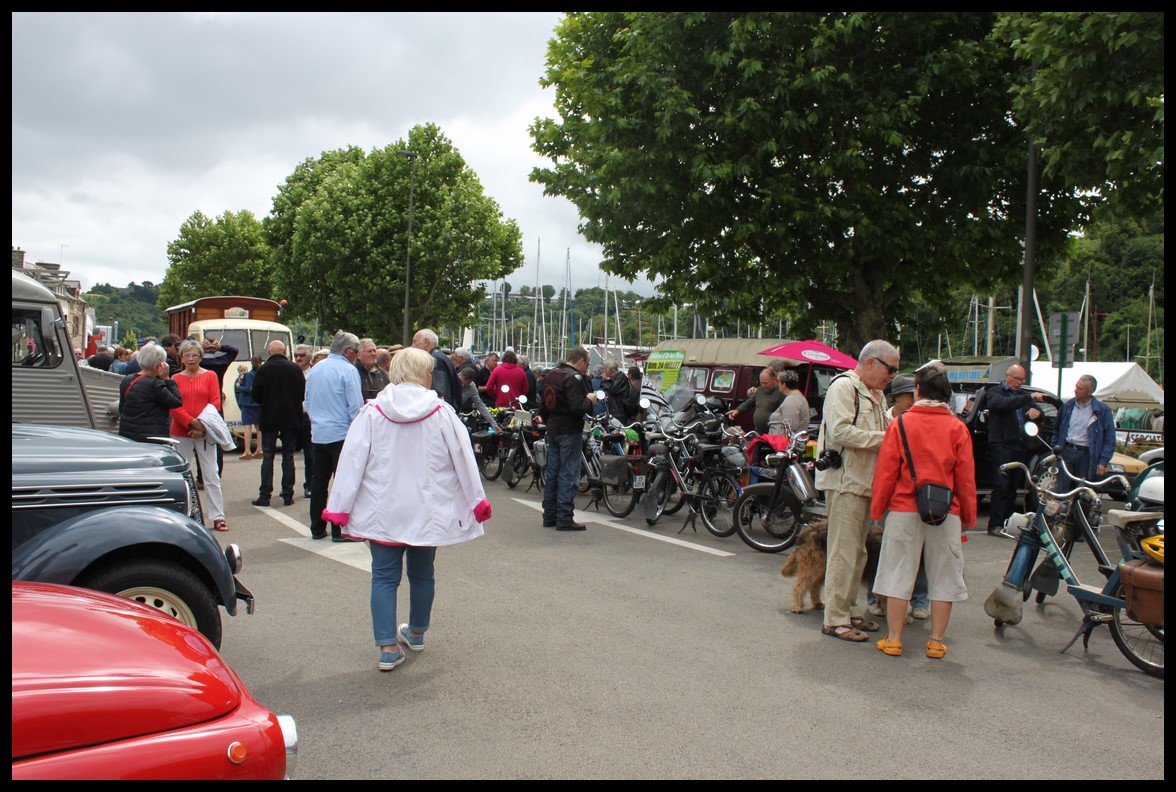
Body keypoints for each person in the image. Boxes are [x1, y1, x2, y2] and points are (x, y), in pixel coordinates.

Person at [322, 347, 491, 672]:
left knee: (384, 578)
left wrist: (339, 507)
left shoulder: (372, 412)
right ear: (424, 374)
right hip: (427, 510)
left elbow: (351, 462)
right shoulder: (441, 412)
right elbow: (464, 458)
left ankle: (387, 646)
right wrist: (476, 500)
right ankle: (416, 632)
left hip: (382, 509)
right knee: (422, 573)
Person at [870, 361, 976, 659]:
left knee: (897, 572)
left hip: (904, 508)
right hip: (946, 510)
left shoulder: (900, 424)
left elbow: (886, 472)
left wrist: (878, 508)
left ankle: (893, 639)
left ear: (917, 391)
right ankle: (937, 641)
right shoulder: (957, 428)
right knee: (944, 575)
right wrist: (967, 515)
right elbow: (966, 479)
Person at [815, 340, 898, 642]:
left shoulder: (876, 394)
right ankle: (834, 618)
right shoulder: (844, 387)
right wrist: (886, 438)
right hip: (846, 482)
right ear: (872, 362)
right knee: (843, 551)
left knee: (858, 552)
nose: (892, 375)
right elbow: (839, 432)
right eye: (891, 369)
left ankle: (848, 610)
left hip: (865, 482)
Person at [867, 373, 930, 621]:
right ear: (897, 398)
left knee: (920, 549)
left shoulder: (920, 420)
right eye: (909, 397)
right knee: (877, 546)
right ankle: (875, 597)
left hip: (913, 493)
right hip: (884, 489)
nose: (913, 401)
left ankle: (920, 599)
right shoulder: (881, 420)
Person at [305, 331, 365, 541]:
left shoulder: (315, 369)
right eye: (356, 352)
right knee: (343, 482)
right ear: (348, 351)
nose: (356, 356)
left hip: (319, 432)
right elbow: (355, 407)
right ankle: (340, 530)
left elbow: (308, 401)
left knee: (318, 482)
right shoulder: (348, 370)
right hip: (341, 433)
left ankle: (317, 527)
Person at [169, 340, 228, 532]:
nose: (191, 359)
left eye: (195, 355)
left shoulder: (210, 376)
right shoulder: (175, 378)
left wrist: (201, 424)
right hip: (181, 430)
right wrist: (190, 422)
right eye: (187, 355)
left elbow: (215, 403)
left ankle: (218, 516)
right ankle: (184, 513)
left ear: (201, 357)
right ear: (182, 358)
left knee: (211, 474)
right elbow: (174, 405)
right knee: (183, 474)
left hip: (205, 431)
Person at [538, 347, 599, 531]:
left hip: (553, 427)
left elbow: (543, 404)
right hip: (569, 429)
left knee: (553, 473)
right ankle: (564, 517)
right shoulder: (573, 378)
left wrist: (547, 420)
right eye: (587, 364)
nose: (587, 368)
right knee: (569, 474)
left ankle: (549, 515)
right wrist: (590, 400)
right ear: (580, 361)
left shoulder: (551, 374)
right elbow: (577, 408)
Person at [985, 363, 1046, 537]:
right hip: (1001, 445)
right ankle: (995, 524)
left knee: (1013, 488)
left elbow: (1040, 414)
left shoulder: (1023, 396)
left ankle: (1007, 523)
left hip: (1019, 446)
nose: (1020, 383)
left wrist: (1036, 413)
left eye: (1022, 380)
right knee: (1001, 485)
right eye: (1018, 379)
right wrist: (1028, 399)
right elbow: (1003, 404)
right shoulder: (996, 392)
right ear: (1008, 376)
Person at [251, 341, 306, 508]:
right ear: (285, 351)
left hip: (269, 416)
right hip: (291, 417)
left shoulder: (263, 369)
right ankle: (288, 493)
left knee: (268, 456)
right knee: (288, 456)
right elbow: (302, 393)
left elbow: (255, 395)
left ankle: (265, 494)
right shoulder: (295, 369)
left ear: (269, 352)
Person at [1051, 373, 1116, 492]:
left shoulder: (1102, 411)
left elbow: (1110, 439)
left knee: (1083, 491)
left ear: (1090, 392)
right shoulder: (1067, 407)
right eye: (1076, 386)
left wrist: (1103, 462)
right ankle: (1061, 510)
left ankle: (1079, 510)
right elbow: (1056, 429)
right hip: (1066, 451)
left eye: (1080, 389)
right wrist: (1056, 447)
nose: (1075, 390)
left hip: (1086, 455)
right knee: (1061, 489)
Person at [117, 343, 182, 444]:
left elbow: (122, 408)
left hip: (128, 434)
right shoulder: (156, 384)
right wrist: (167, 379)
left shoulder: (127, 380)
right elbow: (176, 401)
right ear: (160, 364)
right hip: (153, 437)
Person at [412, 328, 462, 410]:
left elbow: (441, 393)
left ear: (426, 342)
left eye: (414, 341)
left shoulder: (434, 359)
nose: (412, 346)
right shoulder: (440, 357)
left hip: (440, 414)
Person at [727, 367, 785, 435]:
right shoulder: (760, 390)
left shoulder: (781, 392)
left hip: (773, 434)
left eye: (766, 383)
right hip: (758, 432)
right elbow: (749, 403)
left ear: (774, 380)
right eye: (761, 383)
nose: (763, 385)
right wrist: (738, 410)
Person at [293, 343, 315, 499]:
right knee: (287, 455)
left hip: (309, 417)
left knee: (310, 455)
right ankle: (287, 488)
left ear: (309, 357)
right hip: (292, 417)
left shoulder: (315, 372)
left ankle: (310, 486)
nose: (298, 358)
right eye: (296, 356)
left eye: (301, 355)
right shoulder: (290, 371)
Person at [767, 369, 809, 436]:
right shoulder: (798, 398)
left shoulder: (791, 401)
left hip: (785, 444)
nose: (778, 384)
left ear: (784, 384)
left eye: (778, 381)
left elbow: (789, 427)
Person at [235, 357, 263, 459]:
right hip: (259, 403)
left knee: (247, 427)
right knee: (259, 427)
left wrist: (239, 387)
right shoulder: (261, 374)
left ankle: (247, 451)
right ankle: (259, 449)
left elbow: (248, 388)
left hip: (247, 403)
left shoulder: (248, 375)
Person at [458, 365, 501, 431]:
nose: (462, 386)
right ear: (459, 375)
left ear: (471, 382)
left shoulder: (472, 387)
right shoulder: (450, 379)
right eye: (460, 382)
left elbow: (480, 405)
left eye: (465, 384)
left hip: (456, 413)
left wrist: (493, 423)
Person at [355, 338, 390, 402]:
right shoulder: (353, 372)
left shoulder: (383, 373)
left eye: (374, 350)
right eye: (369, 351)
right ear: (358, 355)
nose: (373, 354)